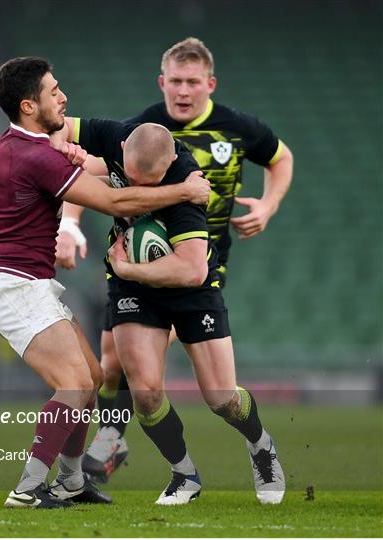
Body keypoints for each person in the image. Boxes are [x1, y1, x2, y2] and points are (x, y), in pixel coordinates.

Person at [56, 37, 293, 505]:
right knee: (125, 373)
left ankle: (260, 443)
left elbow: (191, 268)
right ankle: (163, 464)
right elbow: (81, 162)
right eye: (175, 82)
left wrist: (269, 203)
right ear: (162, 82)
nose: (183, 91)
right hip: (131, 266)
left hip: (197, 264)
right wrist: (70, 223)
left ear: (210, 83)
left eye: (193, 82)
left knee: (220, 396)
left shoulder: (228, 139)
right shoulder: (132, 130)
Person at [0, 56, 211, 509]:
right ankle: (26, 489)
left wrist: (77, 159)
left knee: (92, 376)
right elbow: (110, 198)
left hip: (24, 282)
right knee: (73, 384)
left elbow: (76, 170)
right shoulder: (34, 156)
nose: (63, 97)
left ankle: (70, 481)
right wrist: (184, 189)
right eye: (53, 91)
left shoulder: (13, 145)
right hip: (16, 286)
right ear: (29, 106)